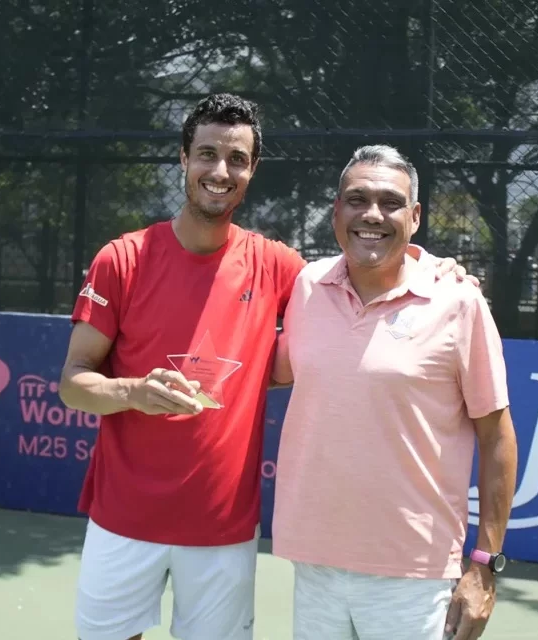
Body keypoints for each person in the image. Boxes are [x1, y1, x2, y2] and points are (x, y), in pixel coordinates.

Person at [58, 95, 475, 640]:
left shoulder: (280, 267)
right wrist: (134, 391)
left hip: (222, 530)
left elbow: (364, 276)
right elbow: (74, 383)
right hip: (121, 519)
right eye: (207, 154)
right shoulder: (123, 259)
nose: (220, 171)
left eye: (237, 159)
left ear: (252, 170)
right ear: (183, 159)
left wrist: (430, 265)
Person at [269, 144, 519, 640]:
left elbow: (497, 439)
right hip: (314, 564)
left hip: (415, 578)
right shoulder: (307, 286)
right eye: (357, 200)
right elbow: (271, 370)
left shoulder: (459, 302)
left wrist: (484, 566)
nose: (372, 215)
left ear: (416, 216)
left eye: (390, 202)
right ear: (336, 210)